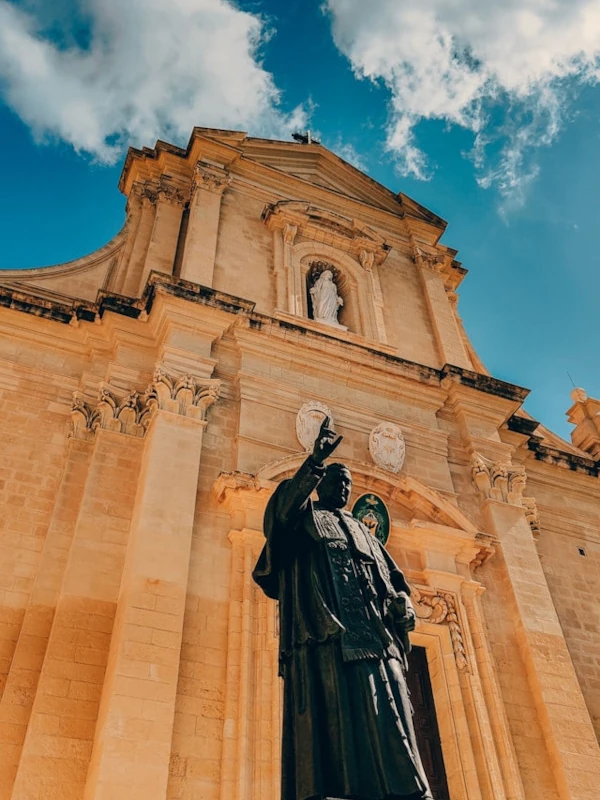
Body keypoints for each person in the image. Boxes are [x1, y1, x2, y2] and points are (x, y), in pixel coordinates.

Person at [253, 416, 434, 800]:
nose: (346, 486)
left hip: (377, 643)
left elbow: (393, 583)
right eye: (338, 479)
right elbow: (280, 517)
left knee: (391, 721)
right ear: (321, 485)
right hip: (326, 639)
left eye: (349, 483)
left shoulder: (362, 532)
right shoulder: (305, 519)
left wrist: (404, 607)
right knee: (336, 731)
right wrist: (315, 461)